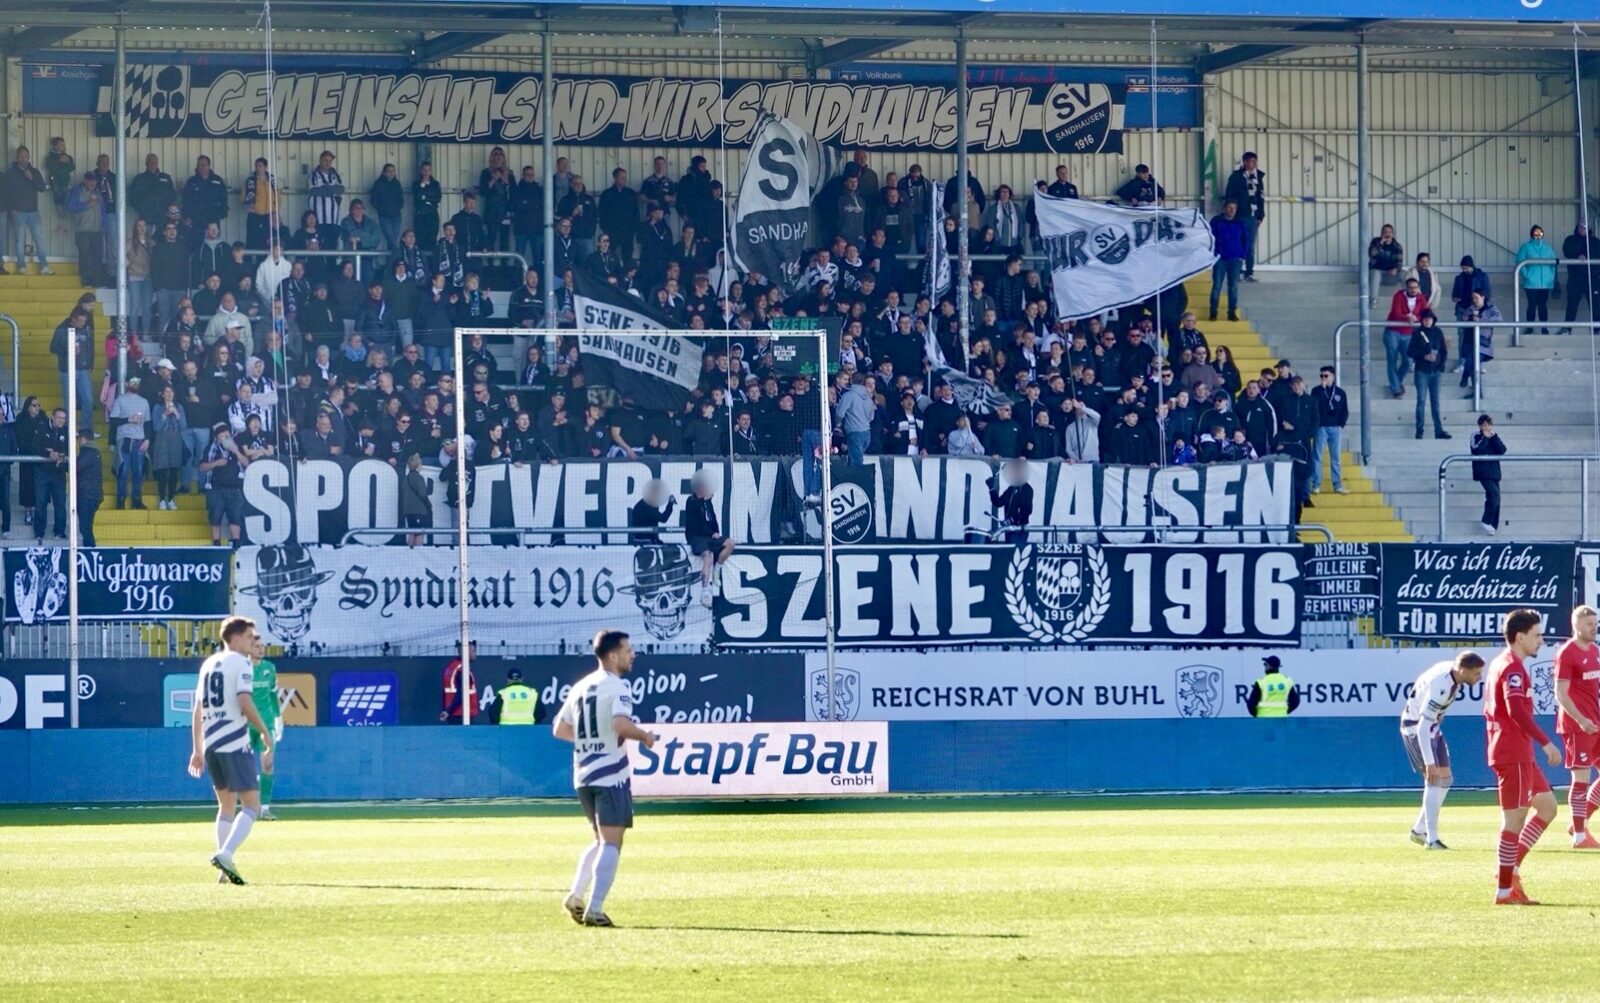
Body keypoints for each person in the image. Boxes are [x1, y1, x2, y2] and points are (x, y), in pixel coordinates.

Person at [553, 629, 658, 928]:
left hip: (583, 774)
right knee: (612, 842)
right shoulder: (618, 686)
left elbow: (559, 729)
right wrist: (645, 737)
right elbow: (621, 725)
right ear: (613, 655)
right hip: (610, 773)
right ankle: (595, 908)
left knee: (600, 840)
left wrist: (589, 743)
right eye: (628, 650)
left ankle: (575, 895)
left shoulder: (580, 686)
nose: (632, 654)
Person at [186, 616, 273, 885]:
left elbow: (198, 709)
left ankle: (224, 871)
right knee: (252, 806)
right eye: (249, 636)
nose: (252, 641)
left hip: (212, 743)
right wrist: (265, 733)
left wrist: (197, 749)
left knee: (225, 807)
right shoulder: (242, 662)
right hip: (234, 742)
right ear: (235, 639)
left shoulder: (209, 664)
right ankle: (226, 853)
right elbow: (244, 700)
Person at [1485, 608, 1562, 905]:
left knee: (1547, 807)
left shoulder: (1503, 663)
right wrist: (1546, 742)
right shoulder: (1513, 668)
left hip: (1518, 752)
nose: (1541, 641)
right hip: (1512, 752)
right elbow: (1515, 711)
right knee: (1513, 821)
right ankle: (1504, 889)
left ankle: (1510, 869)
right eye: (1537, 635)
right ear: (1520, 637)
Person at [1400, 651, 1486, 850]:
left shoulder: (1451, 671)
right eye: (1476, 674)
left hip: (1431, 726)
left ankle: (1419, 829)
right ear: (1463, 670)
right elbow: (1422, 726)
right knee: (1434, 779)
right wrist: (1429, 763)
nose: (1479, 678)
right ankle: (1431, 838)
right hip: (1416, 729)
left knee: (1446, 780)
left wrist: (1438, 715)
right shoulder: (1442, 686)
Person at [1555, 605, 1600, 849]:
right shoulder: (1567, 653)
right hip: (1577, 725)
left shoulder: (1594, 651)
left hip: (1595, 722)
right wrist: (1581, 719)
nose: (1594, 628)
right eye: (1589, 624)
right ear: (1576, 626)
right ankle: (1580, 837)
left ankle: (1578, 822)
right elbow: (1560, 693)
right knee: (1581, 779)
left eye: (1596, 623)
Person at [685, 472, 734, 608]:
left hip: (709, 536)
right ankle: (705, 591)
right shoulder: (692, 501)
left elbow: (713, 519)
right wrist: (704, 499)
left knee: (730, 543)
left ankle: (717, 569)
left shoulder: (708, 503)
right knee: (708, 555)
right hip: (696, 537)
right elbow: (695, 510)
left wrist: (716, 532)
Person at [1, 145, 52, 275]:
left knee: (39, 239)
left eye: (25, 156)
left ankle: (44, 266)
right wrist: (10, 210)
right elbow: (6, 193)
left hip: (33, 212)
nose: (23, 159)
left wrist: (32, 178)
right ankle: (21, 266)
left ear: (29, 157)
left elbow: (41, 188)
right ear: (16, 157)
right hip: (18, 212)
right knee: (19, 240)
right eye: (20, 156)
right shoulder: (11, 173)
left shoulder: (34, 171)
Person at [248, 634, 282, 821]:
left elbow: (273, 695)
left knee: (267, 764)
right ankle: (249, 807)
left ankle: (265, 808)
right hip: (244, 725)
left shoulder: (270, 668)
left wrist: (278, 718)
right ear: (248, 648)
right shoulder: (241, 669)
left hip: (266, 724)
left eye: (263, 646)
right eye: (257, 646)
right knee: (243, 768)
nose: (261, 649)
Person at [199, 422, 248, 548]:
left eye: (227, 435)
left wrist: (237, 452)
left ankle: (236, 542)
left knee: (235, 516)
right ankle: (216, 542)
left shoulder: (237, 447)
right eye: (222, 436)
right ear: (217, 438)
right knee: (215, 516)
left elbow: (246, 463)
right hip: (216, 488)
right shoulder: (210, 448)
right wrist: (216, 463)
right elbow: (202, 467)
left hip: (234, 488)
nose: (225, 437)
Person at [1406, 311, 1450, 441]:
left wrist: (1441, 366)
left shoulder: (1438, 332)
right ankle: (1419, 430)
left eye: (1429, 319)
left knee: (1435, 402)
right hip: (1421, 371)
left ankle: (1439, 430)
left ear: (1433, 320)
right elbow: (1410, 351)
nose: (1427, 321)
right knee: (1421, 401)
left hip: (1436, 372)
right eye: (1425, 319)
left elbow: (1444, 351)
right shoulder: (1417, 332)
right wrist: (1424, 356)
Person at [1223, 152, 1266, 280]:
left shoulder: (1258, 178)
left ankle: (1249, 272)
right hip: (1239, 215)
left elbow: (1260, 197)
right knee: (1238, 243)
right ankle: (1238, 271)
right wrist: (1231, 212)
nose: (1252, 164)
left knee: (1250, 245)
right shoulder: (1236, 177)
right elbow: (1230, 195)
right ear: (1245, 162)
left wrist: (1261, 215)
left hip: (1253, 216)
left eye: (1254, 161)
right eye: (1250, 161)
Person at [1308, 366, 1348, 494]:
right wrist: (1322, 390)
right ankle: (1316, 483)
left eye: (1326, 376)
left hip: (1335, 427)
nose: (1323, 378)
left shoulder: (1340, 392)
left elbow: (1344, 410)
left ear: (1332, 376)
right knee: (1317, 456)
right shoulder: (1316, 391)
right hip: (1321, 427)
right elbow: (1314, 407)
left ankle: (1337, 484)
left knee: (1335, 457)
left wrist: (1341, 424)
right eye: (1321, 376)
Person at [32, 407, 69, 542]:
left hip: (58, 473)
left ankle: (59, 532)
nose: (61, 421)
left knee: (60, 502)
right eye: (59, 418)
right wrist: (49, 453)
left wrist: (62, 457)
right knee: (40, 502)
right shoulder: (41, 428)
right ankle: (39, 532)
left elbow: (69, 450)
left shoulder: (66, 430)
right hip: (42, 472)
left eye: (64, 418)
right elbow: (34, 447)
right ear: (52, 417)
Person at [1515, 224, 1557, 335]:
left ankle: (1544, 327)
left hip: (1545, 283)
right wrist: (1527, 275)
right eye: (1535, 233)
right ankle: (1530, 327)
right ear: (1532, 234)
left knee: (1543, 305)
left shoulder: (1548, 248)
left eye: (1540, 233)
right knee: (1532, 305)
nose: (1538, 235)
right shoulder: (1525, 247)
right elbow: (1520, 261)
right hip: (1532, 283)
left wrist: (1551, 277)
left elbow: (1553, 263)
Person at [1208, 201, 1247, 322]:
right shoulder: (1216, 221)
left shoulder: (1240, 222)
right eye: (1230, 208)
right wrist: (1213, 254)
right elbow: (1209, 237)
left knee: (1233, 287)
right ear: (1224, 209)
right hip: (1220, 258)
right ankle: (1213, 313)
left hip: (1235, 259)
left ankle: (1231, 313)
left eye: (1234, 208)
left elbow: (1246, 240)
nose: (1232, 210)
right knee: (1217, 286)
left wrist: (1242, 255)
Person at [1560, 222, 1600, 334]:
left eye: (1586, 227)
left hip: (1592, 278)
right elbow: (1567, 251)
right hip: (1575, 278)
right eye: (1581, 227)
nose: (1583, 229)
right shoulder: (1570, 240)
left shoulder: (1595, 241)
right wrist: (1578, 255)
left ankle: (1597, 328)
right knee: (1572, 303)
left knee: (1596, 304)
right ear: (1577, 228)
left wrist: (1588, 257)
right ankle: (1567, 328)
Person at [1470, 413, 1505, 536]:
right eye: (1484, 425)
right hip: (1483, 471)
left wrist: (1493, 437)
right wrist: (1485, 438)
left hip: (1494, 471)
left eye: (1488, 425)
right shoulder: (1475, 436)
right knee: (1494, 495)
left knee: (1496, 498)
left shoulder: (1494, 436)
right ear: (1480, 426)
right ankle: (1486, 521)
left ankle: (1492, 526)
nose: (1486, 427)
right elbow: (1477, 450)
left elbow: (1502, 450)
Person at [987, 456, 1033, 544]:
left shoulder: (1027, 489)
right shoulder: (1011, 489)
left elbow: (1027, 511)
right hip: (1009, 529)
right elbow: (998, 502)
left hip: (1019, 530)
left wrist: (1011, 520)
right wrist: (992, 489)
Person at [440, 640, 480, 723]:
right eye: (474, 650)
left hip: (453, 713)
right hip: (462, 713)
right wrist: (448, 711)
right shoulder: (462, 669)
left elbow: (446, 692)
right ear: (466, 652)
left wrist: (446, 710)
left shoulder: (451, 667)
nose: (475, 653)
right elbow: (462, 693)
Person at [75, 428, 103, 547]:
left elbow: (77, 467)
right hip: (93, 494)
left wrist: (61, 463)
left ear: (83, 439)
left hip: (87, 495)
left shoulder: (87, 452)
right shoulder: (94, 452)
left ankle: (90, 550)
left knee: (85, 527)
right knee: (86, 526)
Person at [1367, 224, 1404, 305]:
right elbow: (1371, 254)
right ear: (1381, 233)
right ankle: (1373, 300)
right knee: (1375, 272)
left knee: (1404, 273)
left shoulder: (1397, 246)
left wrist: (1396, 269)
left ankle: (1409, 298)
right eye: (1385, 232)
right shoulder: (1375, 242)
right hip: (1375, 275)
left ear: (1393, 234)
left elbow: (1399, 262)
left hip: (1389, 276)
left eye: (1389, 232)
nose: (1387, 234)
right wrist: (1381, 243)